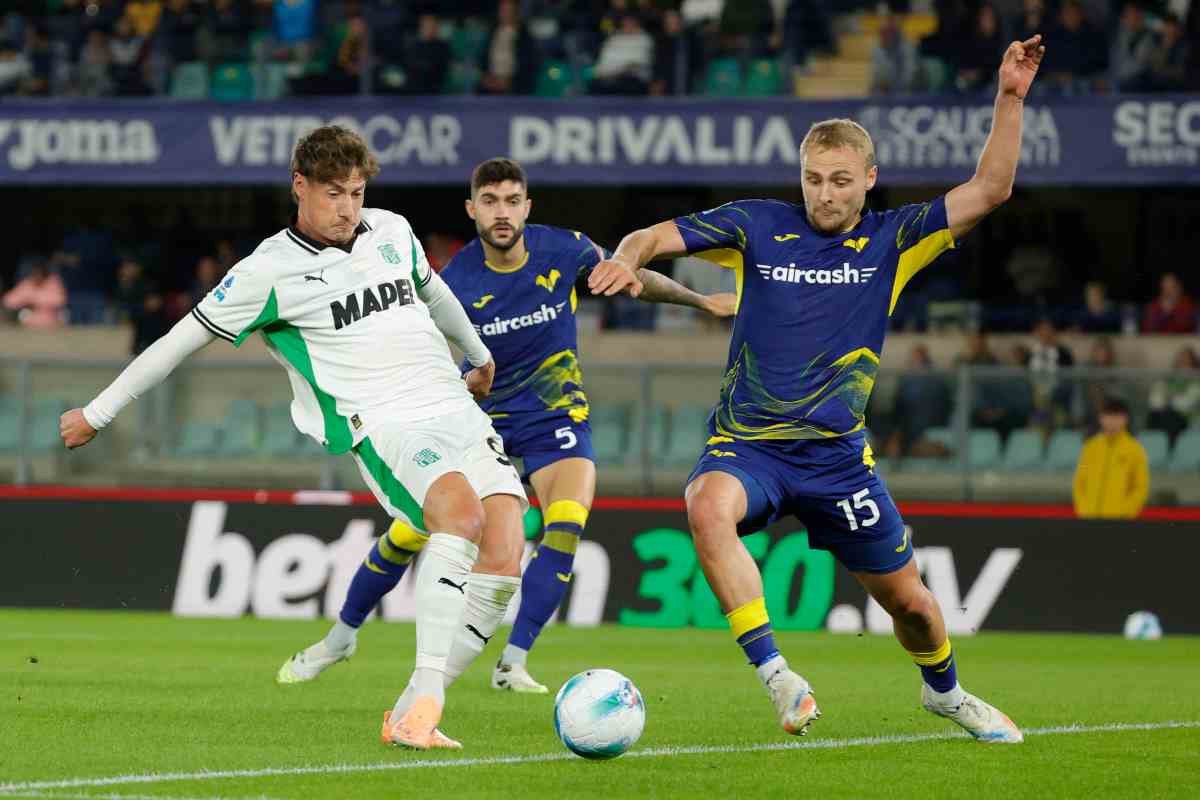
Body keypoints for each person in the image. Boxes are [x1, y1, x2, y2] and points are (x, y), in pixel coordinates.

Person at [587, 36, 1047, 743]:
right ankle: (778, 675)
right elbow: (650, 237)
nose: (824, 194)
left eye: (839, 180)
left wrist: (1010, 97)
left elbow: (989, 190)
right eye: (812, 179)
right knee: (705, 504)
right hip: (749, 447)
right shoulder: (756, 226)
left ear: (869, 179)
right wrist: (625, 258)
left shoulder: (896, 239)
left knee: (913, 606)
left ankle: (946, 694)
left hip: (837, 459)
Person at [59, 125, 525, 751]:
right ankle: (428, 707)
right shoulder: (267, 271)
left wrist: (479, 354)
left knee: (506, 554)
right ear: (299, 186)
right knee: (460, 518)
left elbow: (434, 292)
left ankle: (411, 710)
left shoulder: (392, 230)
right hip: (386, 423)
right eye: (334, 194)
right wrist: (98, 412)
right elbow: (177, 342)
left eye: (357, 193)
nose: (348, 208)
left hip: (455, 406)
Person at [442, 157, 735, 692]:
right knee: (442, 537)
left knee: (565, 526)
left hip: (556, 417)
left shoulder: (566, 248)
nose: (502, 212)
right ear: (471, 209)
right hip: (485, 424)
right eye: (490, 201)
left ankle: (513, 662)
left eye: (512, 201)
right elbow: (430, 355)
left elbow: (631, 278)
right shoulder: (454, 281)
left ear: (527, 206)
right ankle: (349, 635)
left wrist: (700, 302)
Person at [1073, 397, 1149, 518]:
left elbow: (1140, 488)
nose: (1112, 422)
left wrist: (1125, 512)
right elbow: (1079, 483)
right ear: (1101, 418)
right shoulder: (1091, 447)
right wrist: (1083, 509)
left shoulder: (1134, 449)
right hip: (1088, 517)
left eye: (1117, 417)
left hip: (1119, 519)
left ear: (1125, 419)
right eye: (1108, 416)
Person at [3, 261, 67, 329]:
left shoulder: (53, 283)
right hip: (30, 320)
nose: (37, 276)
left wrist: (35, 300)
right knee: (23, 313)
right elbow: (8, 301)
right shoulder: (27, 283)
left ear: (45, 275)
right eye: (35, 274)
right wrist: (26, 302)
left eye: (39, 274)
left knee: (63, 314)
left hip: (52, 319)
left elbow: (60, 300)